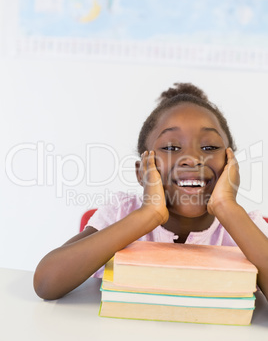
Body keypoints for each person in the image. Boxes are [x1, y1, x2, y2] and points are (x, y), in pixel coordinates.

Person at [34, 83, 268, 301]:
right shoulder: (121, 214)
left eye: (209, 147)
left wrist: (228, 209)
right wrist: (149, 214)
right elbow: (46, 283)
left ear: (231, 165)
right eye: (170, 147)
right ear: (141, 172)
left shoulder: (246, 227)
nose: (192, 159)